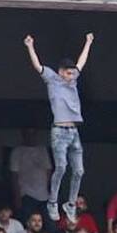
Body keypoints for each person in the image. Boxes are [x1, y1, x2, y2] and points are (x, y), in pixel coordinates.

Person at [23, 32, 94, 222]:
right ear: (61, 71)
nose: (72, 75)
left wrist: (88, 42)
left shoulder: (74, 81)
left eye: (72, 73)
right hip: (59, 131)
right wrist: (30, 46)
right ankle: (52, 201)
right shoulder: (53, 80)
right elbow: (37, 66)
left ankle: (70, 204)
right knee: (61, 166)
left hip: (73, 131)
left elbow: (81, 62)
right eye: (69, 72)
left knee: (79, 170)